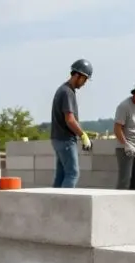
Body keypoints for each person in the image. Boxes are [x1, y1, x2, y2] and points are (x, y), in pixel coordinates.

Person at [50, 59, 93, 188]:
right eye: (84, 79)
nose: (84, 83)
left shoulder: (63, 90)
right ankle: (64, 206)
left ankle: (54, 205)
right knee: (73, 173)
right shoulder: (67, 92)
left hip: (58, 139)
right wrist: (83, 135)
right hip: (65, 140)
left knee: (61, 175)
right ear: (76, 75)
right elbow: (70, 119)